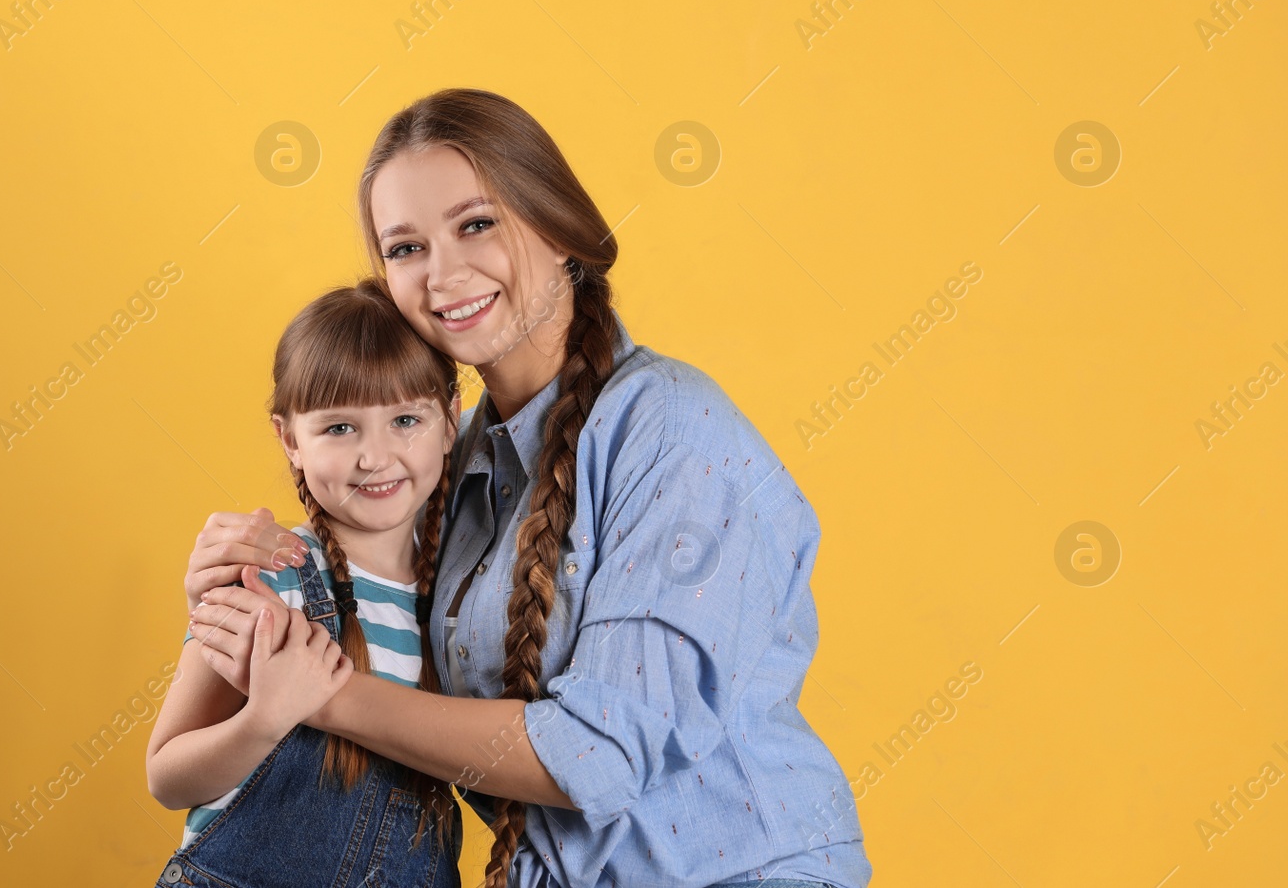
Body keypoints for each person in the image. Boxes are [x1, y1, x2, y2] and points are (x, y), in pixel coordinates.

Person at [186, 88, 873, 887]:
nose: (443, 274)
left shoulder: (671, 430)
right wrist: (236, 590)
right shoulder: (453, 457)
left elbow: (602, 755)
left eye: (475, 224)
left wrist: (323, 694)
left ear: (558, 227)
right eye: (405, 248)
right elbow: (382, 623)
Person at [146, 279, 464, 888]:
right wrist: (263, 719)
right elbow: (167, 775)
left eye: (405, 419)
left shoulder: (460, 598)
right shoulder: (273, 575)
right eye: (340, 428)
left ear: (450, 419)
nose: (375, 456)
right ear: (290, 439)